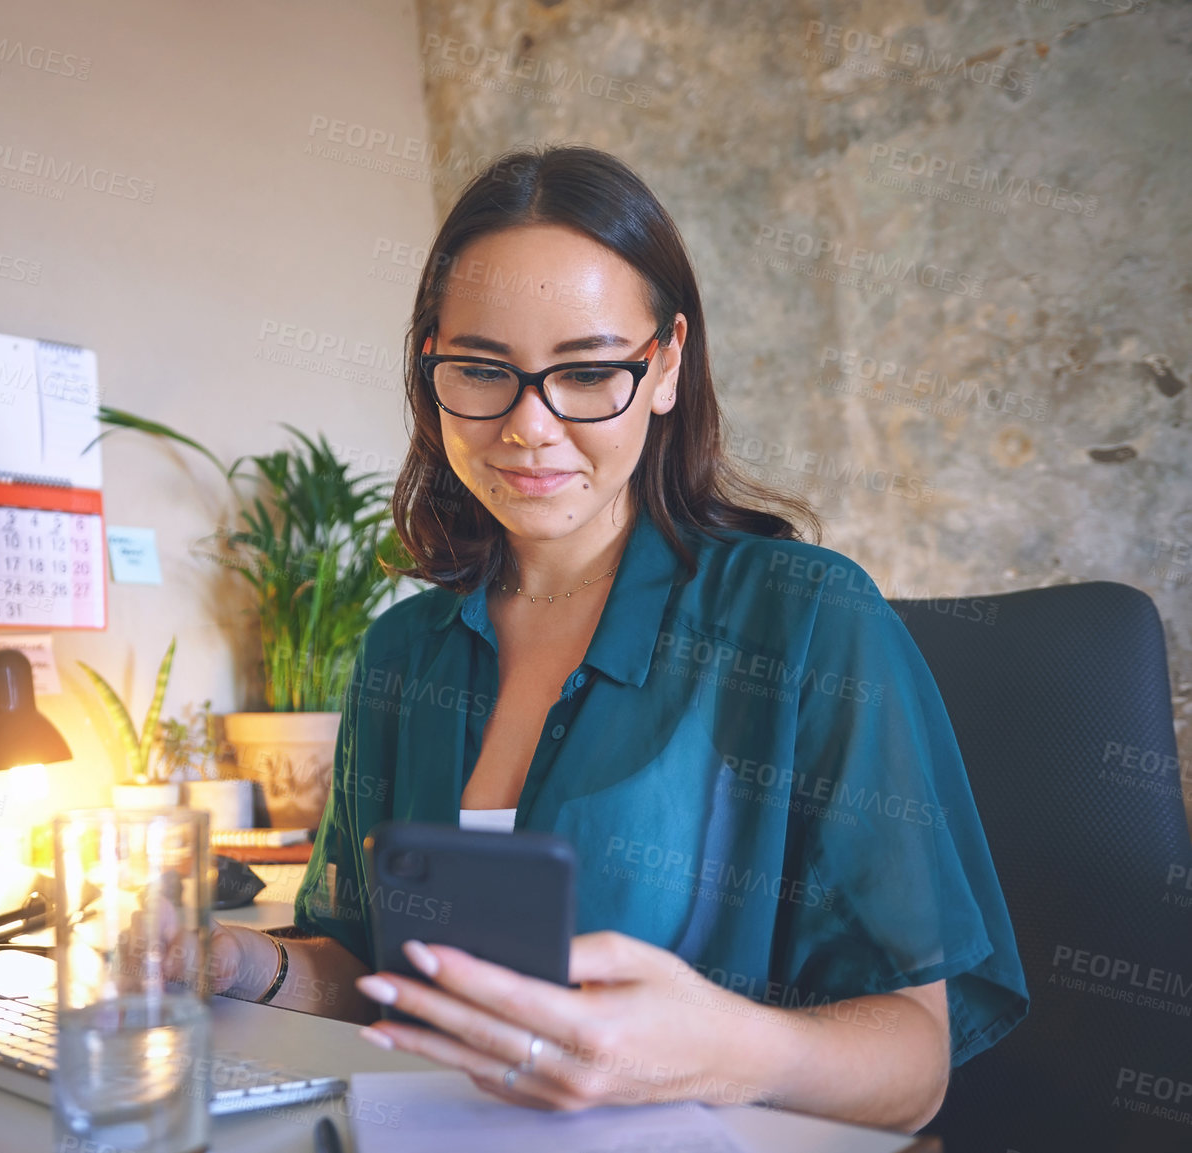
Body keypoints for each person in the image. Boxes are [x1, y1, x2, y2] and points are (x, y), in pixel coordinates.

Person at [191, 146, 1027, 1132]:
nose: (529, 426)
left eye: (587, 373)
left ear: (665, 363)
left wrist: (719, 1048)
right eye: (482, 371)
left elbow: (913, 1066)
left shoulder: (808, 618)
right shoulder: (399, 655)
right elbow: (375, 973)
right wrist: (246, 961)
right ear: (432, 370)